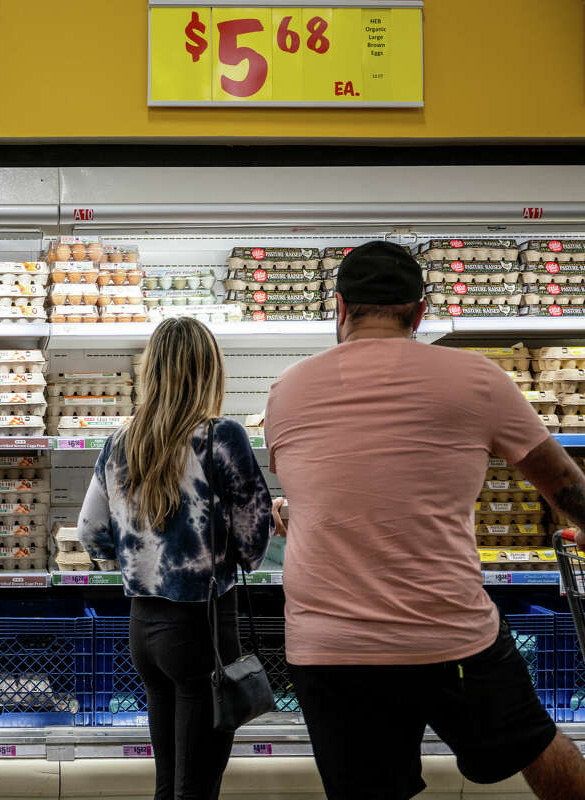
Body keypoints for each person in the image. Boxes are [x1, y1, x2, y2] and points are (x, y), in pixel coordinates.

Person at [265, 240, 585, 800]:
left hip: (331, 646)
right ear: (421, 311)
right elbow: (564, 485)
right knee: (536, 746)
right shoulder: (478, 378)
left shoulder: (285, 392)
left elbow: (329, 493)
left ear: (339, 307)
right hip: (449, 633)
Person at [78, 317, 273, 800]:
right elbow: (252, 542)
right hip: (201, 628)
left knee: (169, 782)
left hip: (144, 627)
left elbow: (91, 532)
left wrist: (137, 553)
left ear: (154, 371)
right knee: (198, 786)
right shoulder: (221, 436)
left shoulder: (121, 440)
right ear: (210, 369)